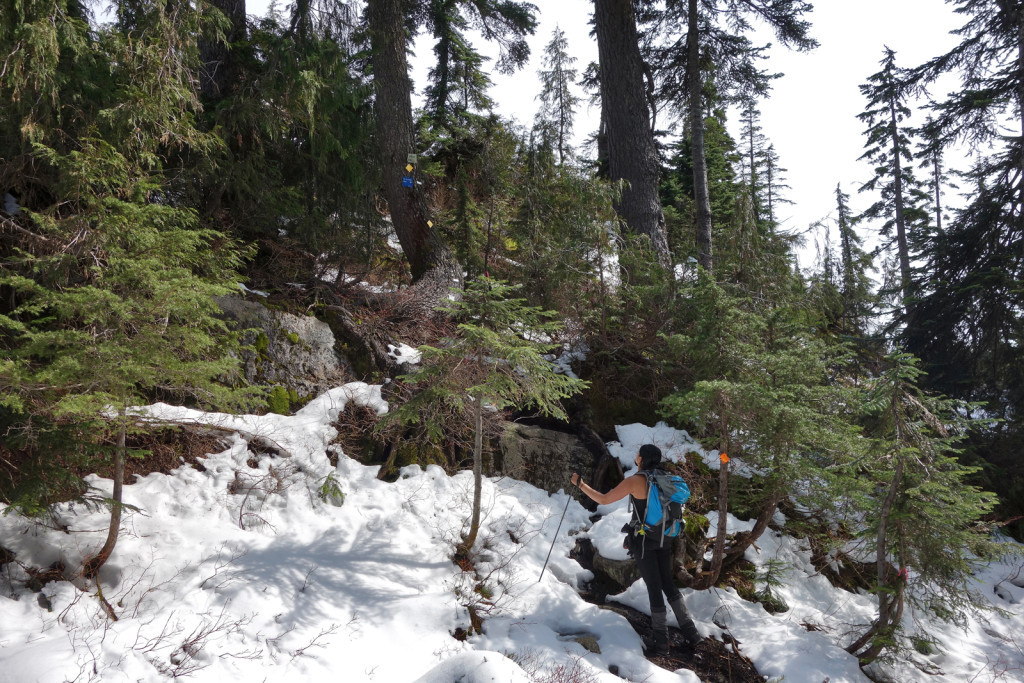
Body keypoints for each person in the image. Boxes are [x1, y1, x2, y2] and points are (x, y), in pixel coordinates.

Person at [570, 444, 701, 656]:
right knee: (667, 583)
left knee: (654, 588)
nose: (636, 456)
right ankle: (692, 634)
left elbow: (604, 499)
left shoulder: (636, 480)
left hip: (645, 542)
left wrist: (581, 484)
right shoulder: (667, 478)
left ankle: (661, 644)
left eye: (638, 453)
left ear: (642, 458)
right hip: (665, 537)